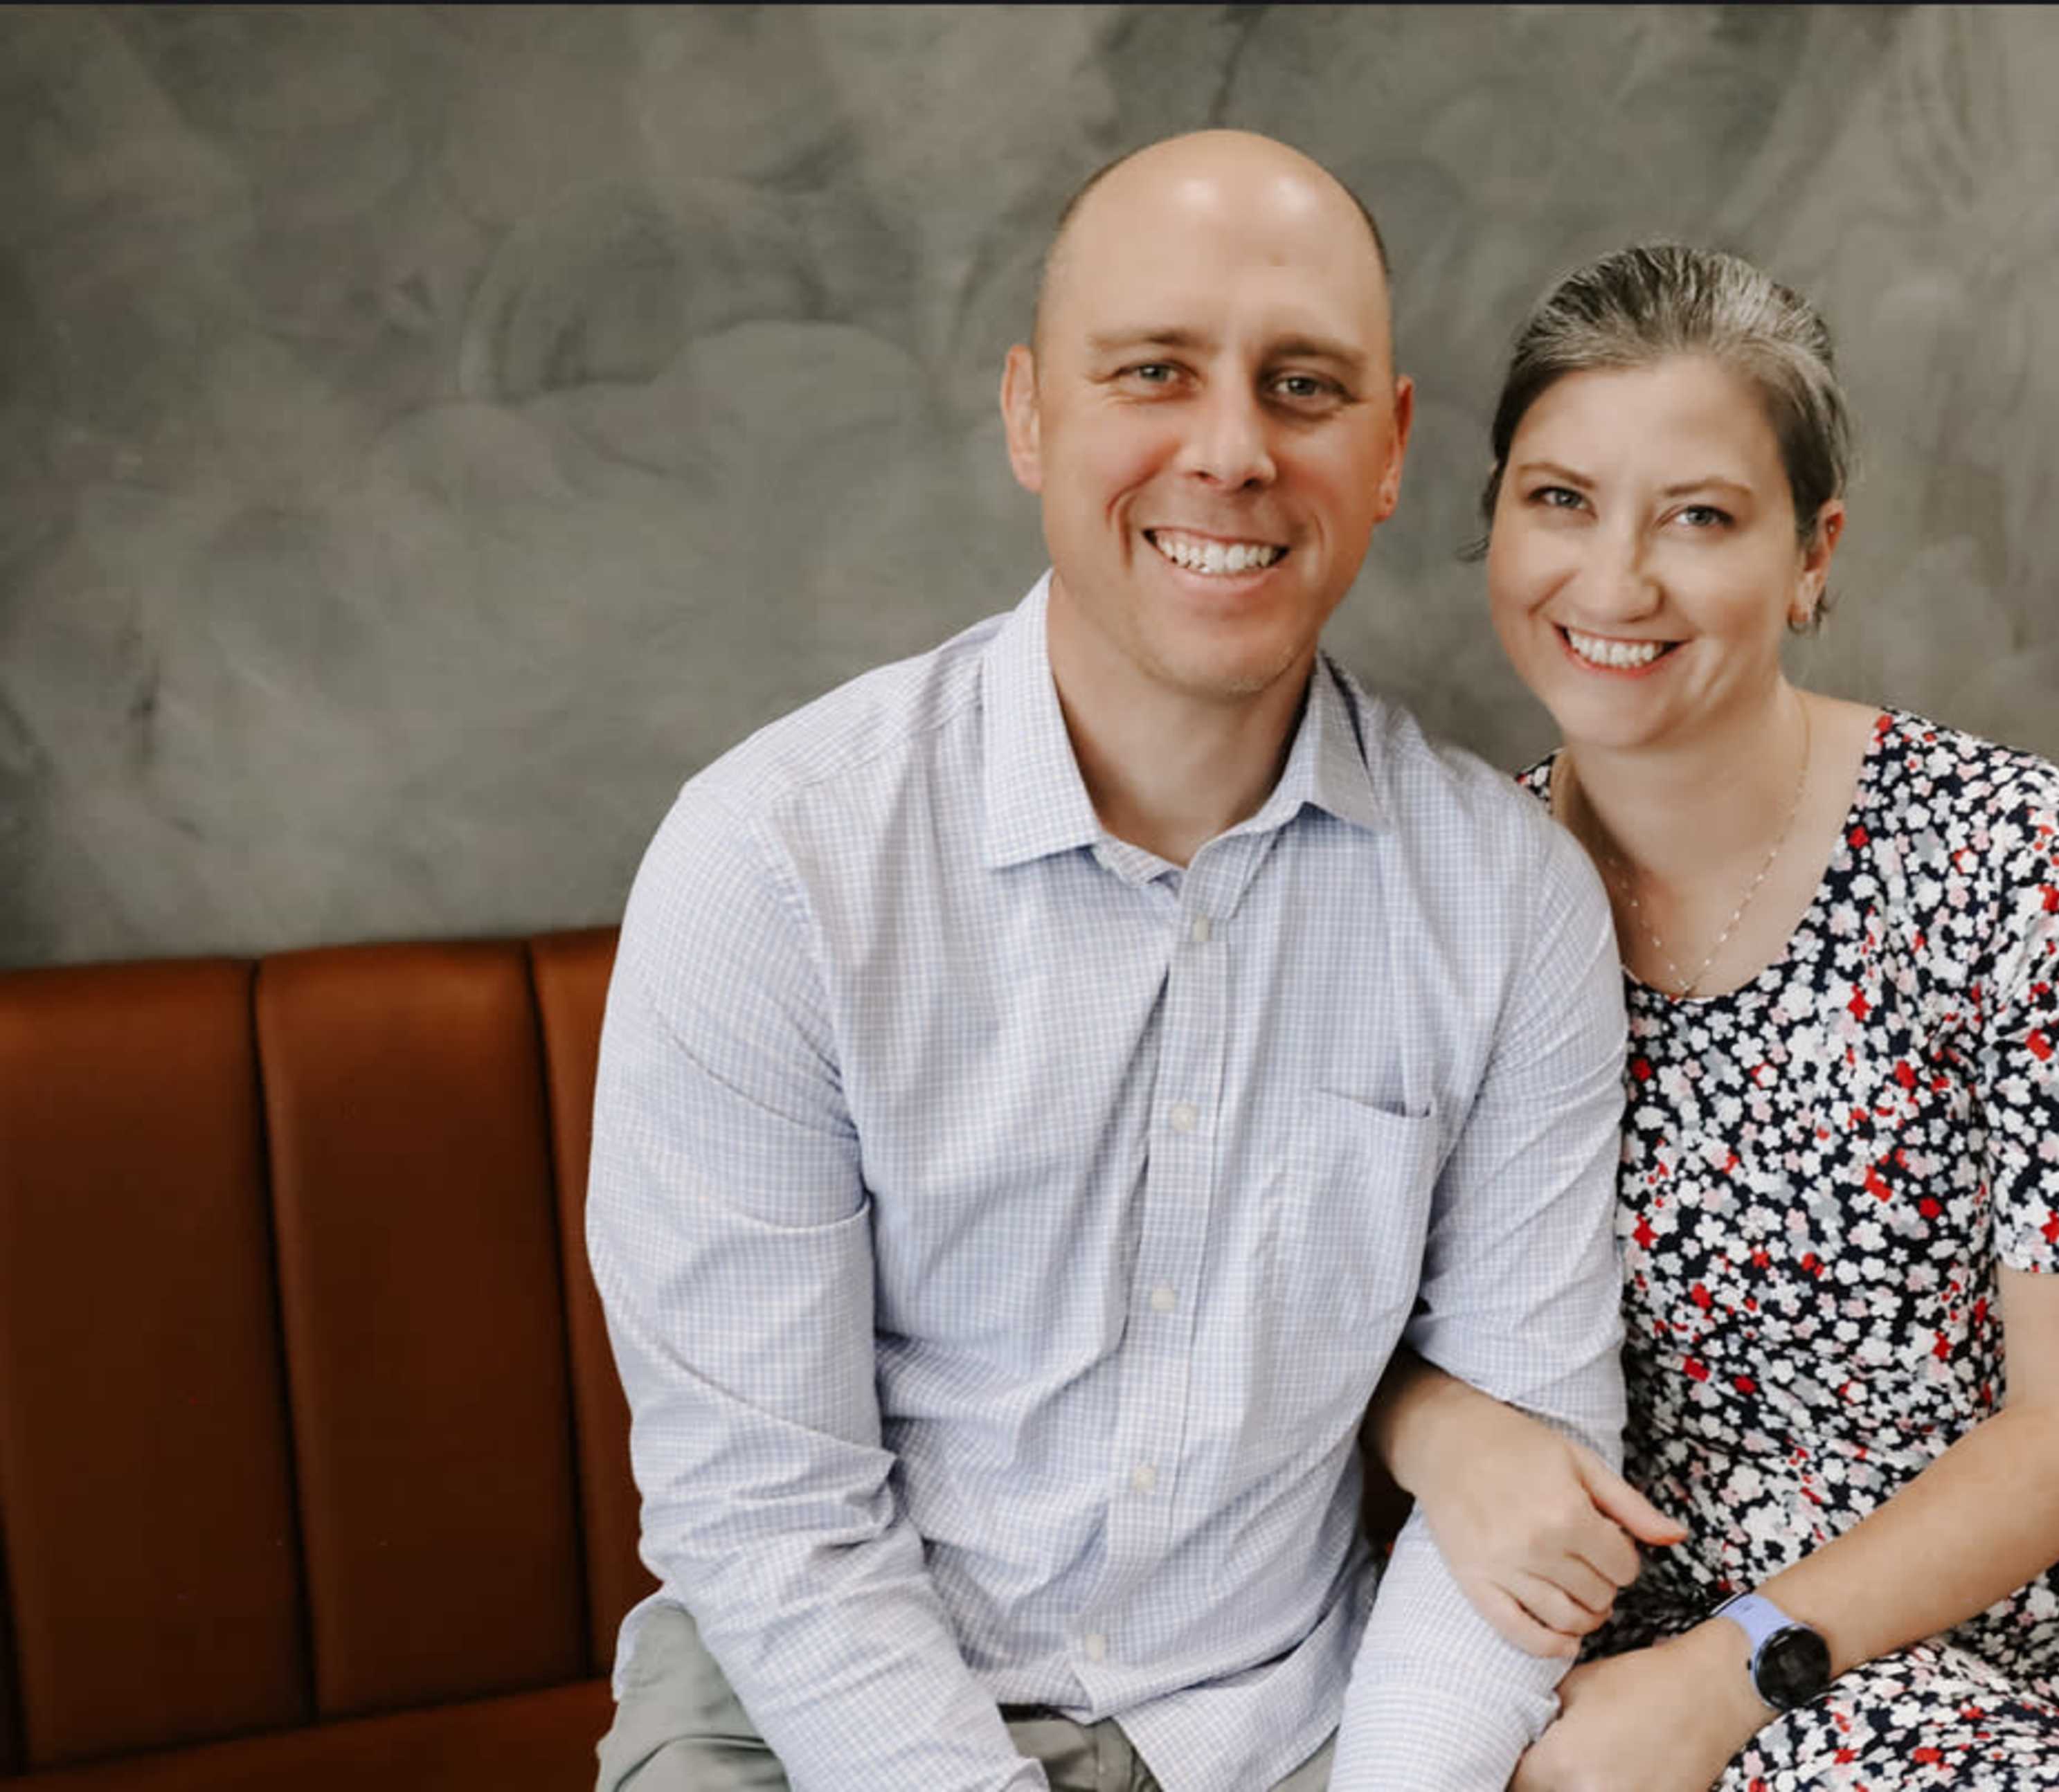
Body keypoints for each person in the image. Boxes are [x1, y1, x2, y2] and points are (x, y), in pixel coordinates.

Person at [584, 132, 1651, 1792]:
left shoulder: (1511, 901)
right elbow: (769, 1512)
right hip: (805, 1723)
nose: (1229, 451)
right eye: (1153, 370)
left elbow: (1524, 1476)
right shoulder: (773, 864)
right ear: (1030, 411)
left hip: (1291, 1726)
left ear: (1389, 448)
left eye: (1303, 386)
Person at [1367, 245, 2059, 1791]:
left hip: (2030, 1635)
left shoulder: (2022, 866)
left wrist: (1726, 1678)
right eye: (1560, 499)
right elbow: (1290, 1304)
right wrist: (1433, 1432)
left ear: (1814, 554)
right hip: (1588, 1629)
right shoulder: (1441, 895)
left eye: (1701, 516)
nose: (1614, 581)